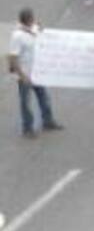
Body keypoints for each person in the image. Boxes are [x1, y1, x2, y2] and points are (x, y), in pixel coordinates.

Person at [8, 8, 62, 137]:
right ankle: (27, 128)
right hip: (26, 75)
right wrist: (22, 76)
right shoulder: (17, 36)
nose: (33, 21)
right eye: (31, 19)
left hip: (38, 72)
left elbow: (42, 36)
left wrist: (40, 28)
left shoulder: (34, 28)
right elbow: (12, 58)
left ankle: (48, 121)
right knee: (25, 102)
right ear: (27, 20)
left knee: (44, 97)